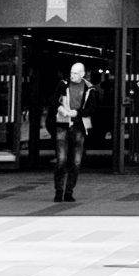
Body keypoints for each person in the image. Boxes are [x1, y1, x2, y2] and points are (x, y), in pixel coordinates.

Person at [50, 62, 98, 203]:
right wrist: (60, 109)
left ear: (82, 74)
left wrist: (77, 113)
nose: (72, 75)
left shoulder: (89, 88)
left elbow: (92, 108)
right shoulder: (63, 84)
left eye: (75, 73)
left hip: (79, 126)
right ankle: (59, 191)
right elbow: (54, 101)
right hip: (63, 124)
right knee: (61, 160)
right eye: (71, 72)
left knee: (76, 162)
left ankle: (69, 192)